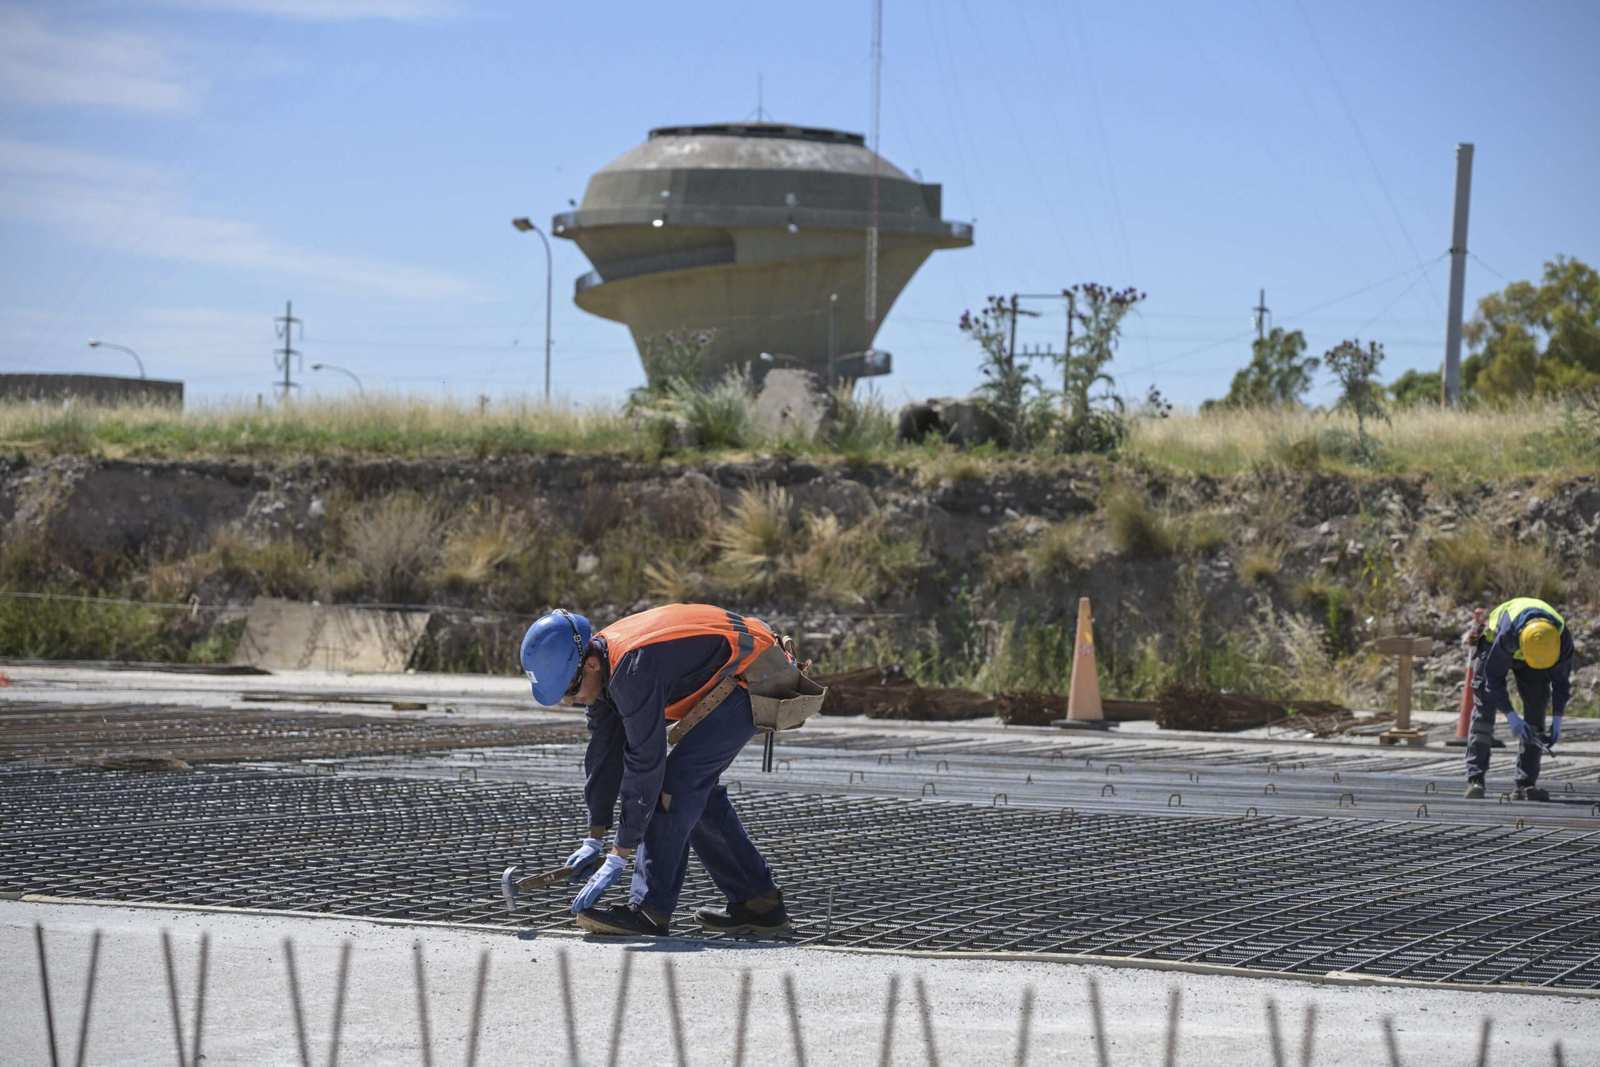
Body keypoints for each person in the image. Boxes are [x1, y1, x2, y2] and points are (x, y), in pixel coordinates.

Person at [517, 603, 791, 937]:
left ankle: (649, 911)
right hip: (741, 675)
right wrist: (595, 835)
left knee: (673, 787)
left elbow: (646, 766)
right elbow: (603, 753)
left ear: (590, 664)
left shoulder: (632, 670)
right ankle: (760, 905)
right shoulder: (603, 666)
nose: (571, 701)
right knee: (694, 793)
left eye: (570, 690)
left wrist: (619, 854)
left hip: (759, 677)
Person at [1464, 596, 1575, 801]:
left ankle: (1526, 784)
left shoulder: (1561, 639)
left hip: (1533, 654)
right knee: (1484, 709)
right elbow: (1493, 680)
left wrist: (1558, 718)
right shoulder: (1508, 635)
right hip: (1493, 646)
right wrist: (1511, 716)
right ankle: (1475, 779)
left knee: (1536, 709)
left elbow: (1561, 682)